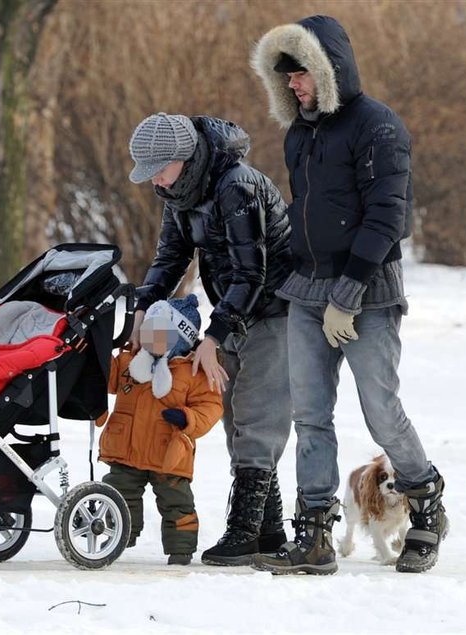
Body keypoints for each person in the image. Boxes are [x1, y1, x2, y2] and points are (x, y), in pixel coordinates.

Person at [249, 15, 448, 575]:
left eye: (301, 73)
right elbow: (306, 215)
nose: (292, 85)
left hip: (368, 289)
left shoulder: (378, 126)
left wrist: (351, 289)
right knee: (310, 414)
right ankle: (313, 531)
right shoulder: (299, 133)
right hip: (308, 290)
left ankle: (425, 503)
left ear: (328, 69)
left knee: (381, 410)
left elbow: (389, 215)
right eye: (284, 76)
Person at [127, 112, 293, 566]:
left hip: (275, 308)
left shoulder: (235, 185)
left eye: (160, 168)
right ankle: (270, 530)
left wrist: (213, 335)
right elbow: (171, 256)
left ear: (185, 157)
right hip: (234, 310)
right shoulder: (178, 192)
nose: (155, 180)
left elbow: (251, 271)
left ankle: (242, 531)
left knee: (258, 420)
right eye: (150, 174)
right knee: (233, 418)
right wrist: (144, 304)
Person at [98, 295, 222, 565]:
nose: (151, 336)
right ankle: (118, 537)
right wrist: (101, 347)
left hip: (169, 453)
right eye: (149, 329)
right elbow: (104, 376)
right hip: (126, 449)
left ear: (179, 338)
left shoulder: (193, 372)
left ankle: (181, 551)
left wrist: (187, 417)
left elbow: (211, 406)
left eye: (160, 331)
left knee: (176, 502)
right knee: (119, 493)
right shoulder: (129, 361)